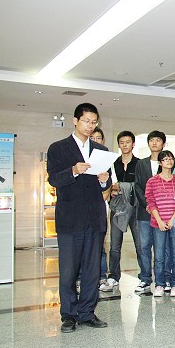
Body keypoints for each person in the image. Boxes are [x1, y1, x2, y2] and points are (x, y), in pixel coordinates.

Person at [47, 103, 110, 333]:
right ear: (75, 121)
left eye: (94, 122)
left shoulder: (100, 150)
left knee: (92, 271)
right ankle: (69, 315)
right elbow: (53, 179)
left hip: (94, 218)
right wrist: (73, 171)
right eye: (86, 121)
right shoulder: (58, 148)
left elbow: (108, 183)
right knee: (68, 271)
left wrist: (104, 180)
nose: (90, 126)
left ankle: (87, 313)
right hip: (70, 219)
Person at [100, 131, 145, 292]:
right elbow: (107, 183)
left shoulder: (140, 164)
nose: (125, 145)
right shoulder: (113, 164)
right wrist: (113, 189)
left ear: (133, 144)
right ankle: (113, 276)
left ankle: (144, 277)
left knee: (140, 245)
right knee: (114, 245)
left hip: (135, 208)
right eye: (122, 142)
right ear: (119, 144)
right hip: (117, 207)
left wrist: (121, 187)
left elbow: (140, 185)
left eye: (128, 142)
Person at [145, 150, 175, 297]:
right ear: (160, 163)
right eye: (165, 159)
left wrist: (173, 219)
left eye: (171, 158)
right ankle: (160, 284)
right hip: (158, 223)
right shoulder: (152, 181)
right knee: (159, 256)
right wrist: (160, 221)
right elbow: (151, 202)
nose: (169, 161)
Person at [134, 130, 166, 293]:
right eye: (151, 140)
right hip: (145, 212)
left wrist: (157, 206)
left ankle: (162, 279)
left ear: (163, 144)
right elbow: (138, 186)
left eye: (158, 140)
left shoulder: (167, 162)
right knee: (144, 247)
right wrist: (148, 204)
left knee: (161, 248)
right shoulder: (141, 163)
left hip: (163, 213)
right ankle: (145, 278)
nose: (154, 143)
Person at [89, 127, 110, 290]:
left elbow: (108, 185)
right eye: (93, 138)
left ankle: (102, 276)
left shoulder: (106, 160)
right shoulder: (83, 159)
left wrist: (98, 200)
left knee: (99, 245)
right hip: (83, 208)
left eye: (98, 138)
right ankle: (82, 277)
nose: (96, 141)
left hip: (100, 208)